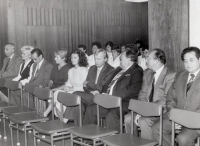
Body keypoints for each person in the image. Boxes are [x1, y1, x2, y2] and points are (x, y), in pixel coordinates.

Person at [83, 48, 143, 131]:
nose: (119, 59)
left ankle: (113, 142)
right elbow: (106, 83)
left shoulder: (136, 70)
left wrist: (111, 96)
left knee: (111, 115)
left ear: (129, 59)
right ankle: (88, 139)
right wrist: (103, 93)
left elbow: (132, 89)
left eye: (121, 58)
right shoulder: (118, 69)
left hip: (123, 102)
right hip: (108, 100)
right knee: (91, 109)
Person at [152, 47, 200, 146]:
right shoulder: (180, 75)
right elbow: (170, 98)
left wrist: (184, 119)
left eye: (191, 60)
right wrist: (176, 117)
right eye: (185, 61)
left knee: (183, 138)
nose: (188, 63)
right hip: (176, 117)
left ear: (199, 59)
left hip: (195, 120)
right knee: (157, 127)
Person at [124, 48, 176, 140]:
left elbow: (166, 100)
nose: (146, 60)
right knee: (128, 118)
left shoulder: (170, 75)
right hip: (145, 108)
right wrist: (141, 110)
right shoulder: (147, 73)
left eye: (148, 58)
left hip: (160, 111)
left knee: (144, 121)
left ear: (156, 60)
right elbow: (142, 93)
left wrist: (145, 111)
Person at [65, 49, 114, 126]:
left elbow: (102, 87)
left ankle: (65, 120)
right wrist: (91, 91)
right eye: (95, 58)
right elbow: (85, 86)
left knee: (75, 94)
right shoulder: (92, 68)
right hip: (91, 94)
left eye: (99, 59)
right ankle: (80, 129)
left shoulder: (110, 70)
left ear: (105, 59)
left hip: (101, 96)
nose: (96, 61)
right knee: (79, 104)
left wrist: (89, 84)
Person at [51, 50, 88, 122]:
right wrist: (66, 87)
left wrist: (71, 88)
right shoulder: (71, 70)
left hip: (79, 92)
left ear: (80, 58)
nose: (72, 59)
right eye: (71, 57)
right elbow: (68, 83)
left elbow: (84, 87)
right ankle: (62, 120)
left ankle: (63, 121)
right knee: (57, 93)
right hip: (71, 91)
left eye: (75, 57)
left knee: (65, 96)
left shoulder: (84, 70)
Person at [43, 49, 71, 117]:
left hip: (62, 90)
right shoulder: (55, 67)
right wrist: (49, 87)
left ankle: (48, 115)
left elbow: (66, 84)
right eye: (55, 57)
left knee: (54, 95)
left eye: (57, 57)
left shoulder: (68, 68)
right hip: (54, 89)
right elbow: (51, 80)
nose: (55, 59)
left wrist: (54, 90)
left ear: (63, 58)